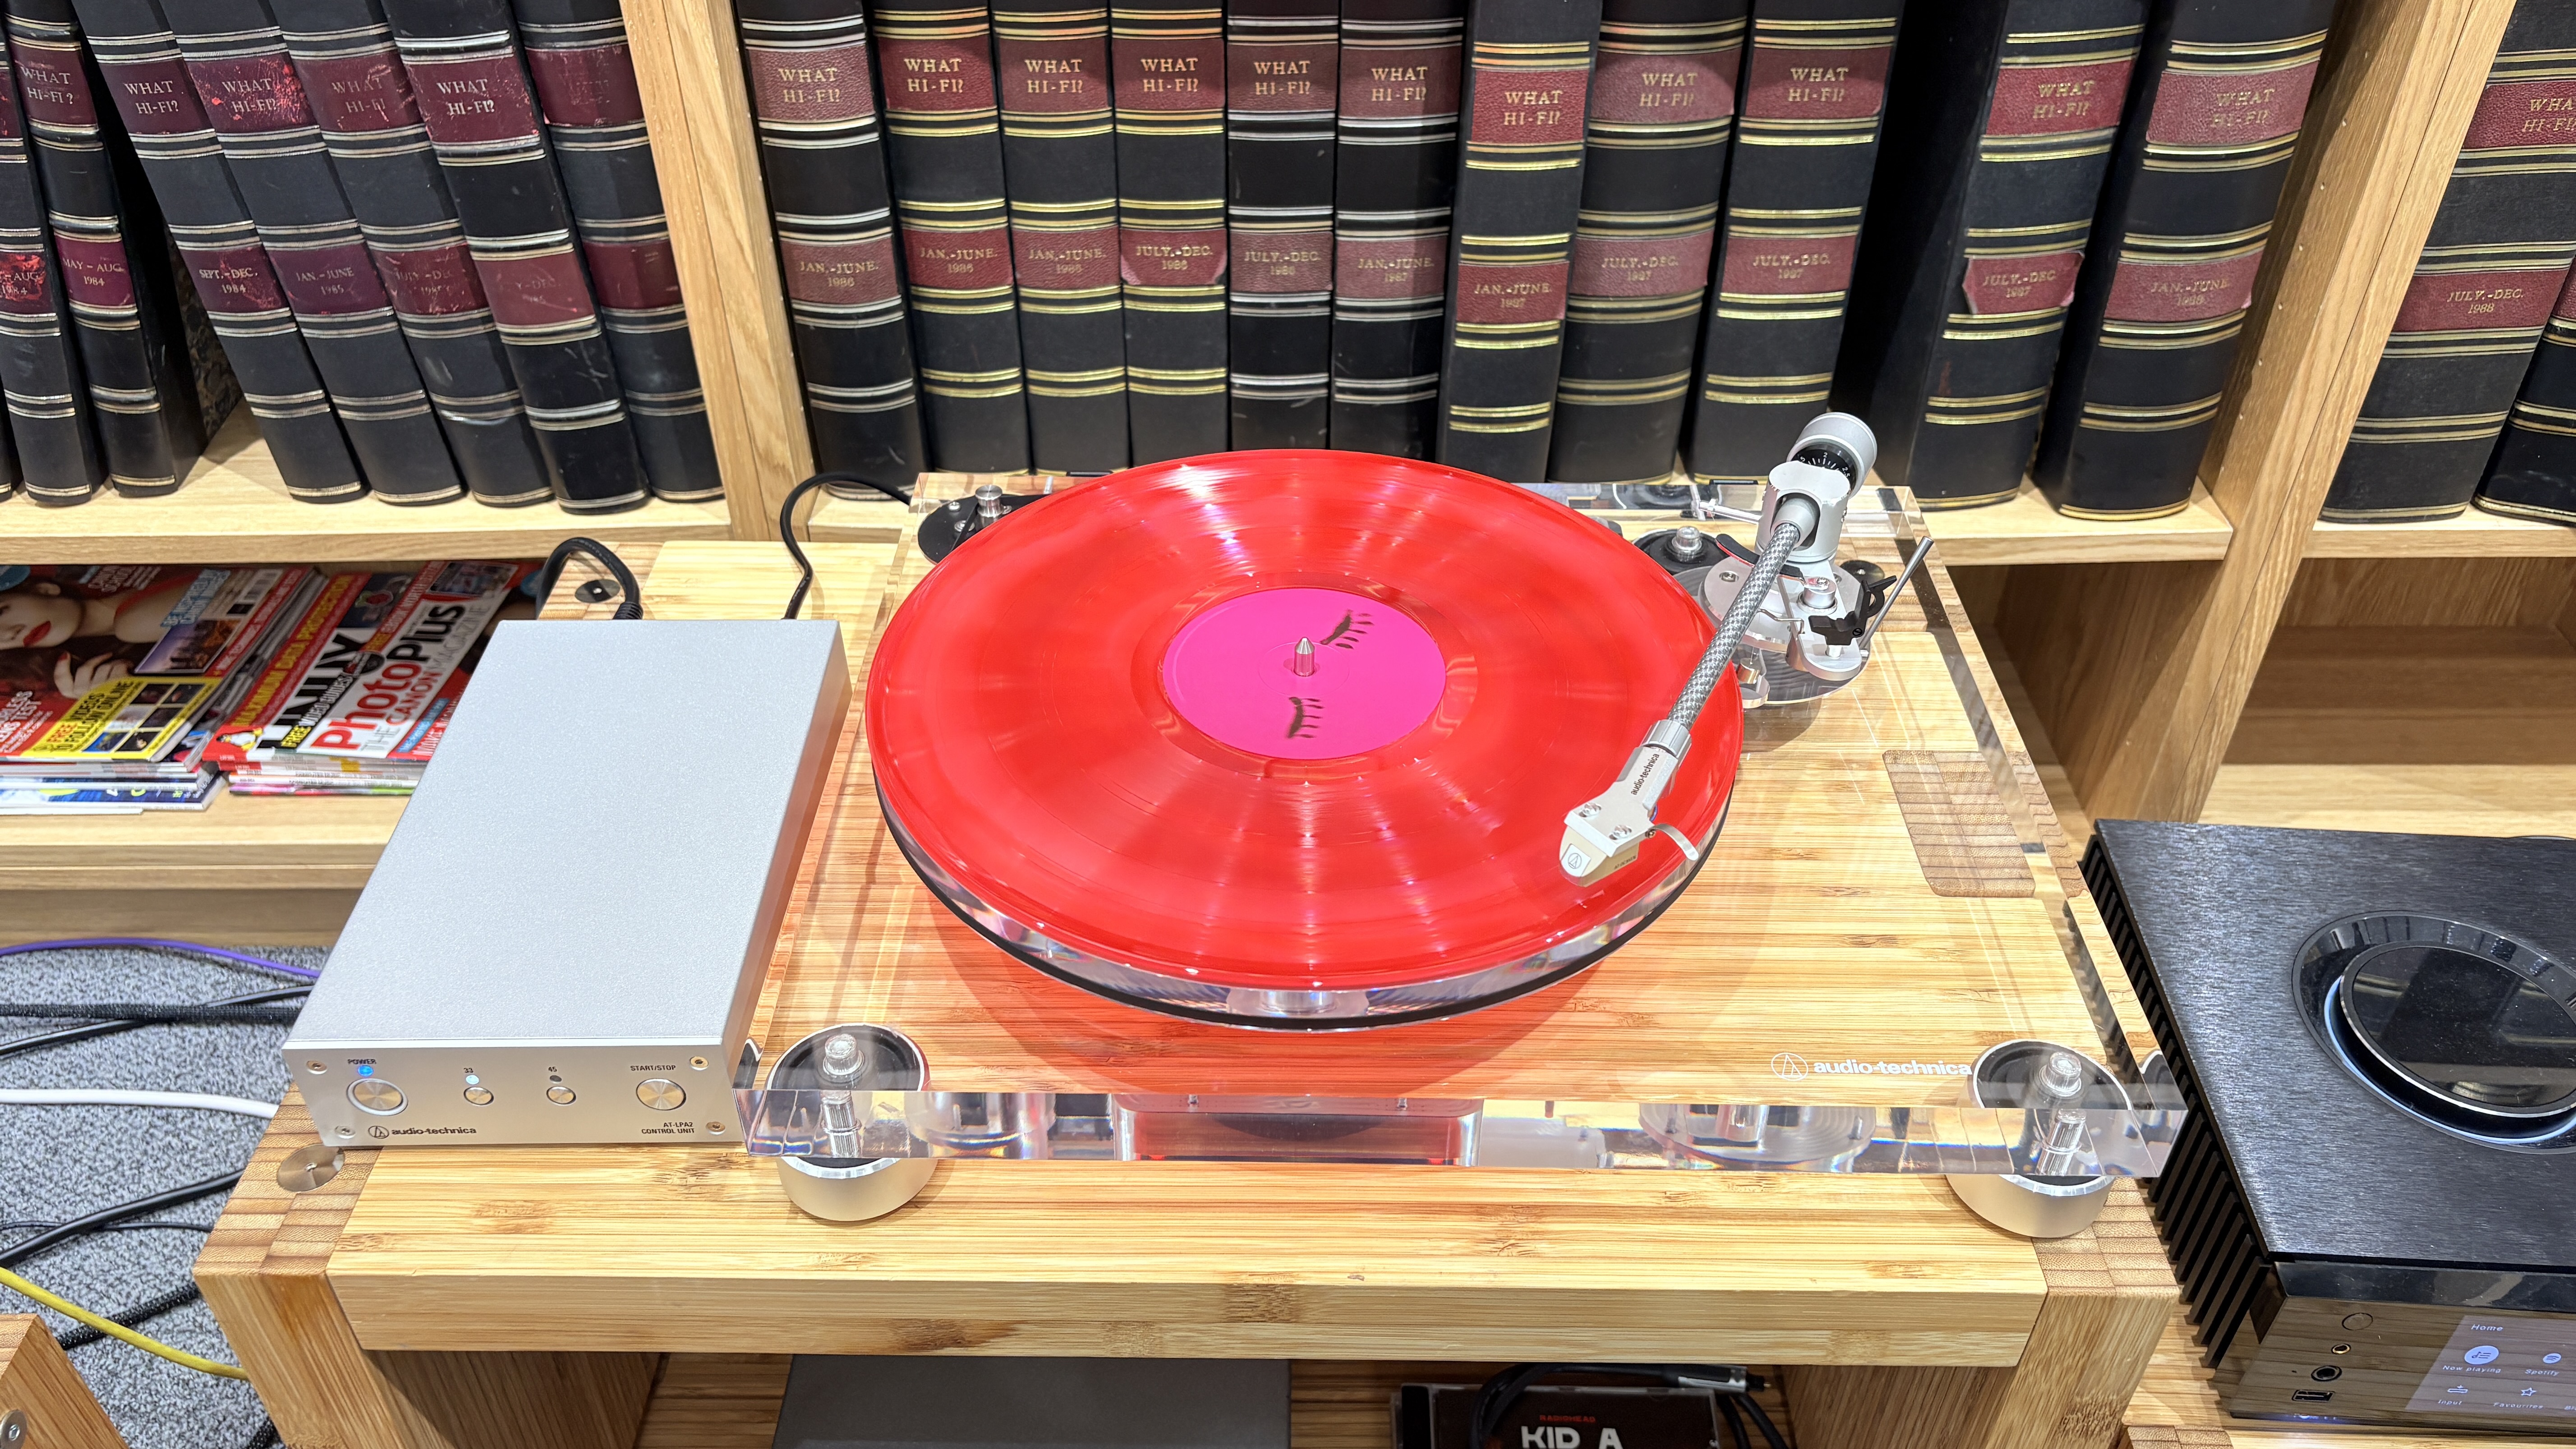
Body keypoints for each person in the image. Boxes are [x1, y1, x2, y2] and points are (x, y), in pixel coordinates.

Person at [0, 566, 193, 699]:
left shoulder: (133, 623)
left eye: (2, 613)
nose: (10, 634)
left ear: (44, 590)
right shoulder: (122, 640)